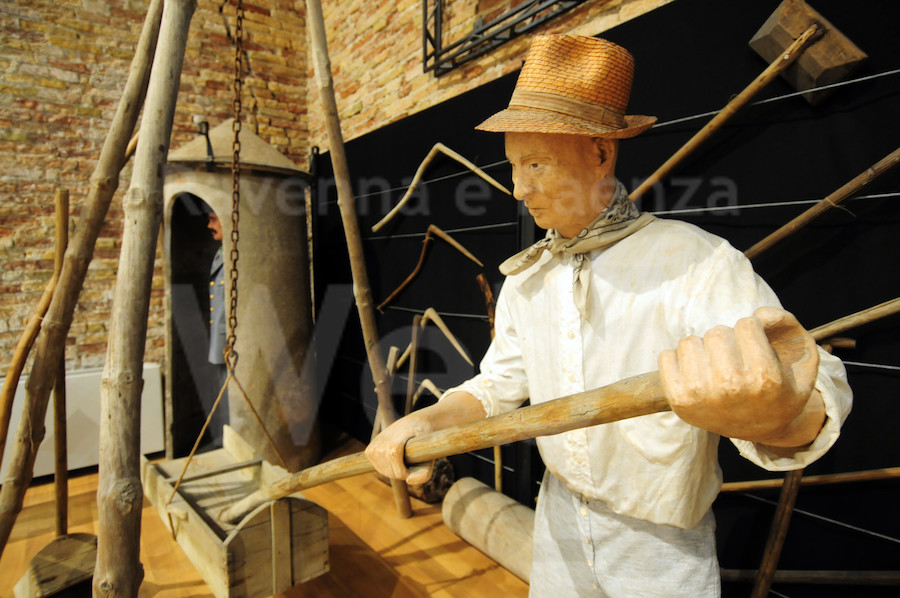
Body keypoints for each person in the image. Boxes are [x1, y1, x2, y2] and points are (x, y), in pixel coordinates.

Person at [365, 34, 852, 596]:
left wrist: (776, 419)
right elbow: (498, 385)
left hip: (660, 551)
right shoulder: (527, 279)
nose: (518, 189)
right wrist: (429, 421)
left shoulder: (692, 262)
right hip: (556, 527)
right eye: (514, 166)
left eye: (536, 163)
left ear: (600, 153)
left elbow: (815, 385)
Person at [205, 210, 229, 449]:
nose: (209, 225)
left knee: (232, 394)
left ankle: (232, 440)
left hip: (231, 341)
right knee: (225, 393)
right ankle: (227, 438)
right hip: (221, 339)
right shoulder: (221, 254)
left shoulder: (234, 256)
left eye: (213, 219)